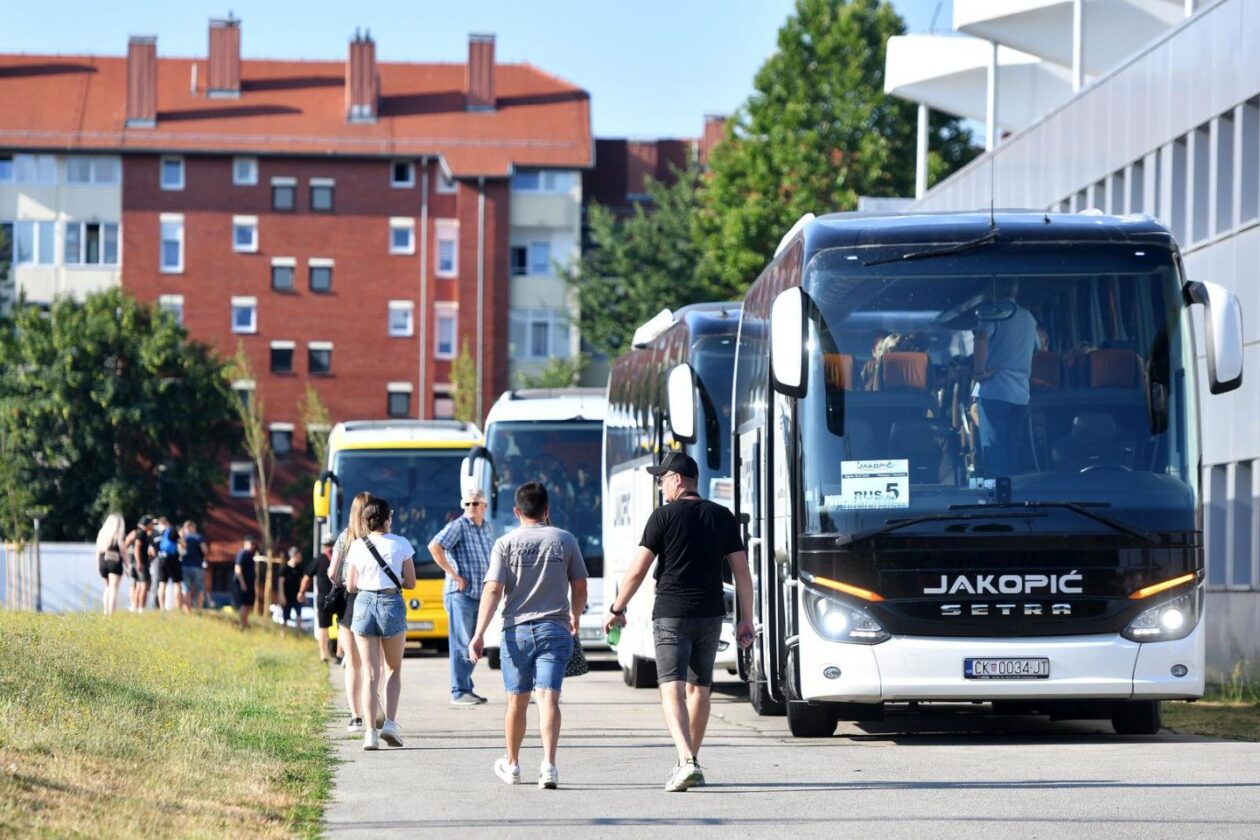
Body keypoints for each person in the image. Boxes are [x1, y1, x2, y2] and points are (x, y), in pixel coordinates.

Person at [603, 451, 754, 792]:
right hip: (711, 614)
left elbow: (638, 570)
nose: (660, 487)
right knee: (700, 687)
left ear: (678, 479)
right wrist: (748, 619)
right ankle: (691, 761)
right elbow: (743, 571)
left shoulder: (663, 517)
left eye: (662, 480)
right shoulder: (722, 516)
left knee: (671, 687)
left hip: (671, 613)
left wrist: (616, 608)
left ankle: (687, 761)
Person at [470, 482, 587, 790]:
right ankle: (548, 766)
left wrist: (479, 633)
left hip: (515, 632)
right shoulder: (565, 540)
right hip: (556, 629)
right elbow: (580, 586)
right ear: (547, 510)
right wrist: (575, 614)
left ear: (517, 511)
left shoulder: (504, 543)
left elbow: (493, 589)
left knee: (516, 701)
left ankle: (513, 765)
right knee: (549, 698)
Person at [345, 496, 416, 751]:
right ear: (388, 518)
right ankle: (391, 724)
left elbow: (351, 585)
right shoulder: (401, 544)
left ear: (365, 520)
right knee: (393, 669)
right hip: (390, 604)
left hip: (362, 605)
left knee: (370, 673)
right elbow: (410, 582)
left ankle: (370, 734)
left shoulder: (357, 546)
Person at [429, 488, 494, 707]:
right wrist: (453, 573)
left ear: (484, 505)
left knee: (474, 643)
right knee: (461, 643)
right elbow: (435, 546)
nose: (470, 508)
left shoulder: (487, 527)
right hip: (461, 594)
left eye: (475, 504)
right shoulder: (458, 525)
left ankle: (466, 687)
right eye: (466, 504)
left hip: (480, 593)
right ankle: (459, 691)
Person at [972, 277, 1038, 477]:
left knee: (994, 452)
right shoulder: (1030, 319)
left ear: (992, 290)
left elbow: (981, 339)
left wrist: (980, 372)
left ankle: (999, 503)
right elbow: (1037, 349)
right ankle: (1016, 498)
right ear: (1016, 290)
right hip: (1021, 394)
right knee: (1012, 452)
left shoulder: (992, 314)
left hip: (995, 391)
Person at [328, 492, 372, 732]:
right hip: (372, 597)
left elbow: (331, 571)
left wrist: (343, 581)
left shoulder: (345, 537)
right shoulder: (378, 537)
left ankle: (355, 716)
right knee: (372, 664)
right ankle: (373, 711)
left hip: (348, 601)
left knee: (352, 663)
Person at [303, 534, 336, 662]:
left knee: (323, 627)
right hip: (339, 597)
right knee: (343, 627)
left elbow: (307, 577)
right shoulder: (340, 558)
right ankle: (340, 654)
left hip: (323, 597)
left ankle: (324, 654)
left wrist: (301, 592)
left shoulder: (319, 559)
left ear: (323, 545)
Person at [95, 512, 127, 617]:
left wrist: (97, 565)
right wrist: (127, 564)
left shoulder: (102, 534)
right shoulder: (117, 534)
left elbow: (97, 550)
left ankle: (105, 612)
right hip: (114, 560)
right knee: (113, 588)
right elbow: (122, 549)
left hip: (102, 561)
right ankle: (111, 614)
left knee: (107, 588)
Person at [154, 516, 182, 611]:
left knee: (162, 584)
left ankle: (162, 608)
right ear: (167, 522)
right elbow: (182, 543)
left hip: (161, 559)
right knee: (177, 583)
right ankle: (177, 607)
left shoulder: (156, 533)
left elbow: (152, 549)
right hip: (173, 559)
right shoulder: (172, 531)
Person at [130, 515, 155, 612]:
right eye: (151, 523)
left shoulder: (142, 532)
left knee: (140, 585)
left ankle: (135, 606)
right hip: (141, 563)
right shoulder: (141, 533)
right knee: (144, 584)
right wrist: (139, 562)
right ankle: (141, 607)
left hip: (140, 562)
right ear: (147, 524)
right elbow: (137, 548)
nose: (152, 525)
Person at [180, 521, 206, 612]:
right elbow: (204, 550)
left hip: (184, 566)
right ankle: (199, 609)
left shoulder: (182, 538)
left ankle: (187, 610)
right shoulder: (198, 537)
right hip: (197, 566)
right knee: (200, 589)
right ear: (193, 527)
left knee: (185, 589)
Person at [280, 546, 305, 638]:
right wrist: (282, 596)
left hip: (297, 597)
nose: (300, 558)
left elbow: (302, 581)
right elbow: (280, 583)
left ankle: (297, 636)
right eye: (299, 556)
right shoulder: (284, 568)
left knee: (299, 617)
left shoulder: (300, 568)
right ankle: (283, 636)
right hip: (287, 597)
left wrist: (303, 594)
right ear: (294, 556)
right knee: (285, 618)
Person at [233, 535, 257, 630]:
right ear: (245, 543)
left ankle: (245, 623)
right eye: (251, 543)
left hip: (249, 583)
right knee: (244, 604)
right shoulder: (242, 554)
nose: (253, 546)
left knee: (248, 604)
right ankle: (242, 625)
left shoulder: (250, 555)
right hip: (243, 584)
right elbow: (238, 569)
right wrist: (242, 583)